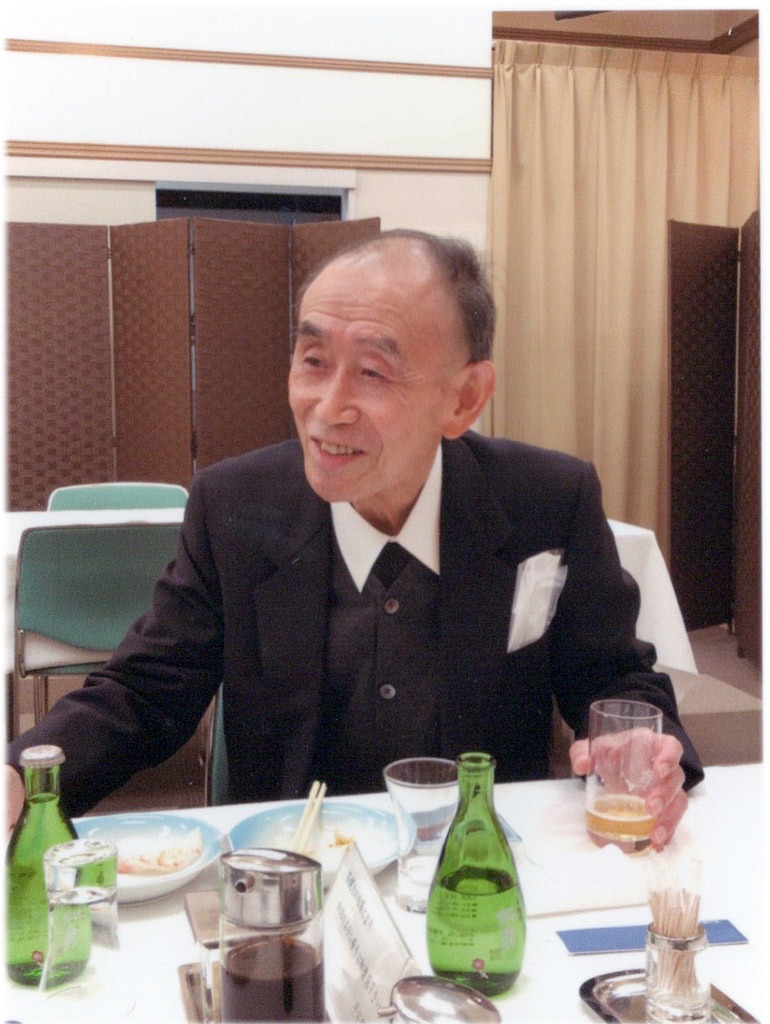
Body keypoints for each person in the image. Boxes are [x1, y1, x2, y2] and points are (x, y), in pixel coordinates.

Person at [6, 229, 701, 846]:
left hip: (479, 864)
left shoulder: (545, 501)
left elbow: (611, 674)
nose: (327, 408)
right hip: (291, 872)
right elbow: (146, 690)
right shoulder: (235, 507)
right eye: (313, 360)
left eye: (372, 372)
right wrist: (20, 779)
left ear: (464, 399)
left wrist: (643, 748)